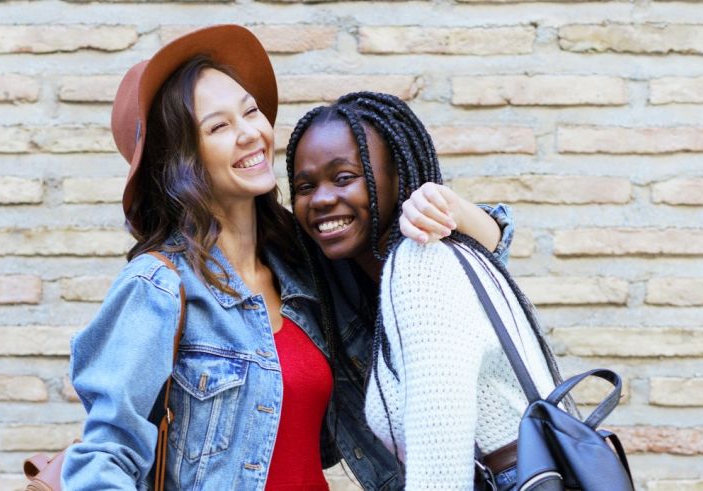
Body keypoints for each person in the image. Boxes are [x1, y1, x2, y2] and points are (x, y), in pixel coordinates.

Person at [62, 25, 513, 490]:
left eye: (250, 112)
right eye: (218, 126)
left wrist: (449, 209)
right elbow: (105, 458)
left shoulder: (305, 262)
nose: (250, 134)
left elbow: (487, 250)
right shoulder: (156, 286)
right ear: (180, 161)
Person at [287, 92, 567, 490]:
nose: (322, 199)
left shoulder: (420, 265)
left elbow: (441, 464)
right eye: (304, 186)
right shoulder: (361, 281)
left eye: (345, 177)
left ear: (398, 176)